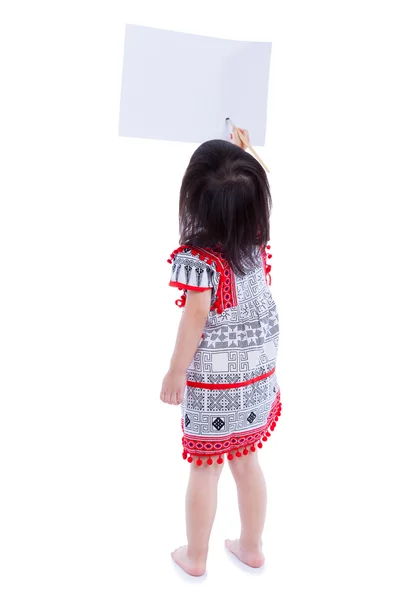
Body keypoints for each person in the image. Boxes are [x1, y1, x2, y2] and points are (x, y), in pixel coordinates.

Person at [160, 127, 281, 576]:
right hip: (257, 367)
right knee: (247, 460)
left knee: (206, 466)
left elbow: (195, 319)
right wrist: (245, 152)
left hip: (216, 379)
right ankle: (251, 546)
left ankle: (196, 555)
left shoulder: (199, 258)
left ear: (194, 201)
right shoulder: (252, 233)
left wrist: (175, 371)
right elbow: (253, 184)